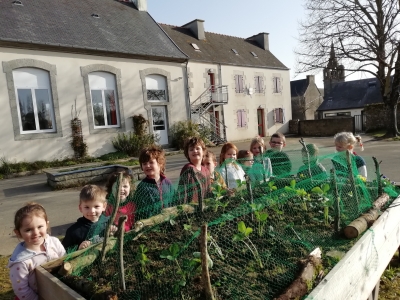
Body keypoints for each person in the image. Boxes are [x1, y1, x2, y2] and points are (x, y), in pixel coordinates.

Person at [8, 203, 66, 300]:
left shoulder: (54, 242)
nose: (36, 233)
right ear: (18, 233)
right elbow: (21, 289)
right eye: (28, 230)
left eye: (40, 227)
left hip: (55, 291)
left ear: (46, 225)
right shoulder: (21, 261)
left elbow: (65, 259)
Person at [62, 185, 114, 252]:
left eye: (96, 206)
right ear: (80, 208)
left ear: (104, 206)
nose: (92, 211)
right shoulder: (74, 231)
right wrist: (78, 248)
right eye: (87, 207)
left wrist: (113, 232)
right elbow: (64, 251)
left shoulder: (108, 222)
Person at [132, 146, 174, 221]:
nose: (148, 166)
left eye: (151, 162)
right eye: (144, 164)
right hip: (151, 226)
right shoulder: (142, 187)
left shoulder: (167, 182)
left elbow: (174, 201)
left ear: (160, 164)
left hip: (169, 222)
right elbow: (141, 211)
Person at [177, 137, 211, 203]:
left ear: (203, 151)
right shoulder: (188, 169)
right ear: (187, 154)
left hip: (204, 206)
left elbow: (208, 191)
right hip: (190, 208)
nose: (195, 151)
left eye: (197, 148)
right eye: (191, 149)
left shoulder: (206, 171)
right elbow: (182, 192)